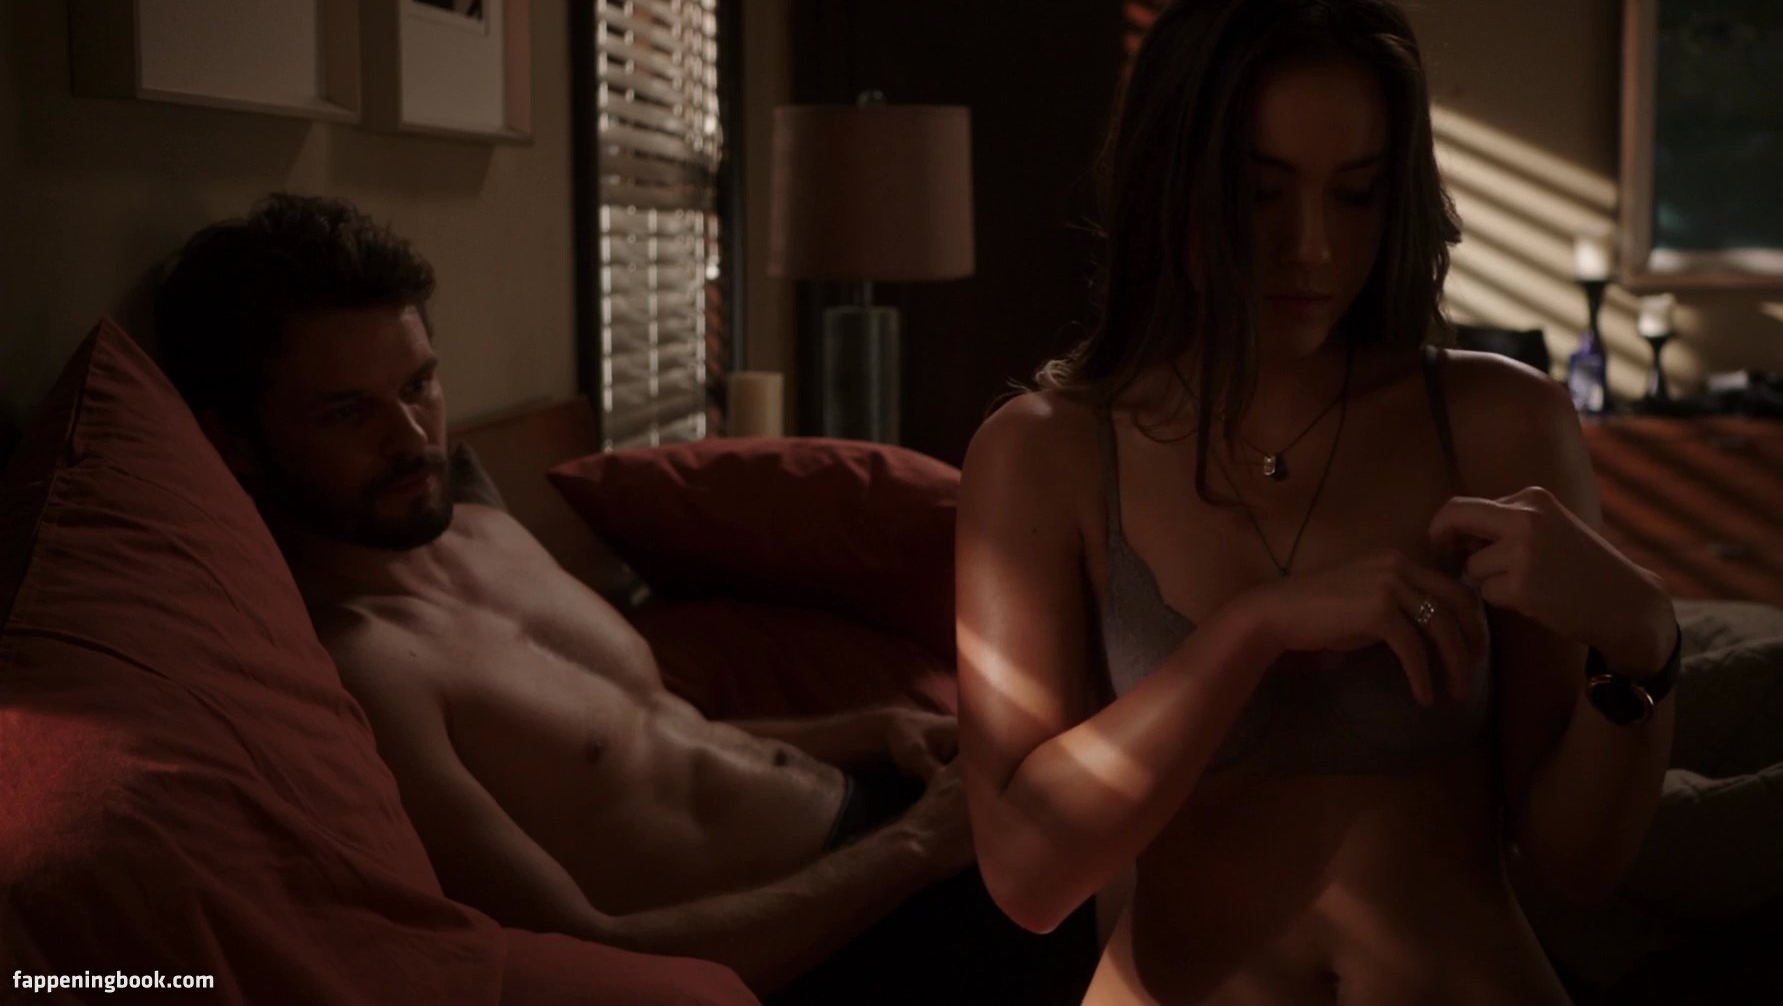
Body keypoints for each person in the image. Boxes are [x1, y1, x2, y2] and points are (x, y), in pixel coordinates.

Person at [956, 0, 1678, 1005]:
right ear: (1170, 184)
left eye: (1358, 195)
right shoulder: (1045, 454)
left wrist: (1643, 645)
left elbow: (1576, 867)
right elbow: (1028, 878)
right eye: (1260, 194)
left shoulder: (1496, 422)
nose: (1315, 248)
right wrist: (1254, 630)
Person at [152, 192, 1098, 1003]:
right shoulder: (357, 673)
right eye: (346, 412)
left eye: (420, 385)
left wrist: (876, 727)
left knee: (1138, 809)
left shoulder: (482, 532)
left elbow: (653, 735)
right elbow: (582, 952)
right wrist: (916, 851)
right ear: (235, 444)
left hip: (883, 828)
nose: (410, 437)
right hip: (831, 934)